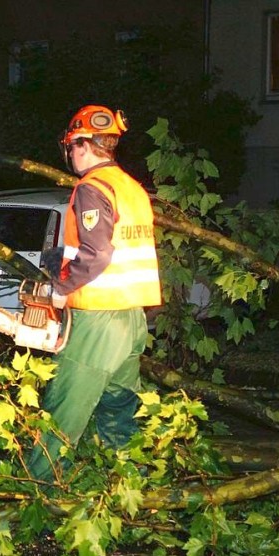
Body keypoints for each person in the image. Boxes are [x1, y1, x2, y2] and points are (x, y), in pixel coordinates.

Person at [26, 105, 162, 482]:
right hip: (131, 318)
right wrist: (54, 265)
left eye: (71, 147)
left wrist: (59, 288)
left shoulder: (91, 188)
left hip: (98, 320)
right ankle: (127, 489)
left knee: (62, 414)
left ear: (83, 145)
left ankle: (38, 497)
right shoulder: (131, 188)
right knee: (120, 411)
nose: (70, 154)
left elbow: (98, 253)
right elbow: (100, 247)